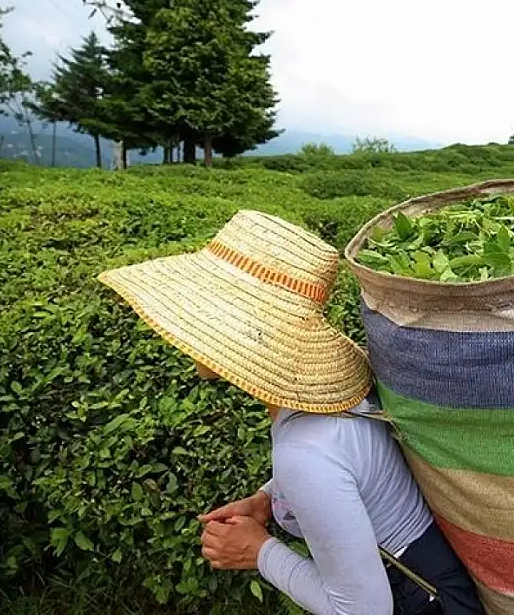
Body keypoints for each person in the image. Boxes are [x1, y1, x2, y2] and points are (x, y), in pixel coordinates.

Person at [98, 210, 485, 615]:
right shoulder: (326, 408)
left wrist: (259, 552)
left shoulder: (304, 452)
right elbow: (352, 470)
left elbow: (362, 610)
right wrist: (268, 501)